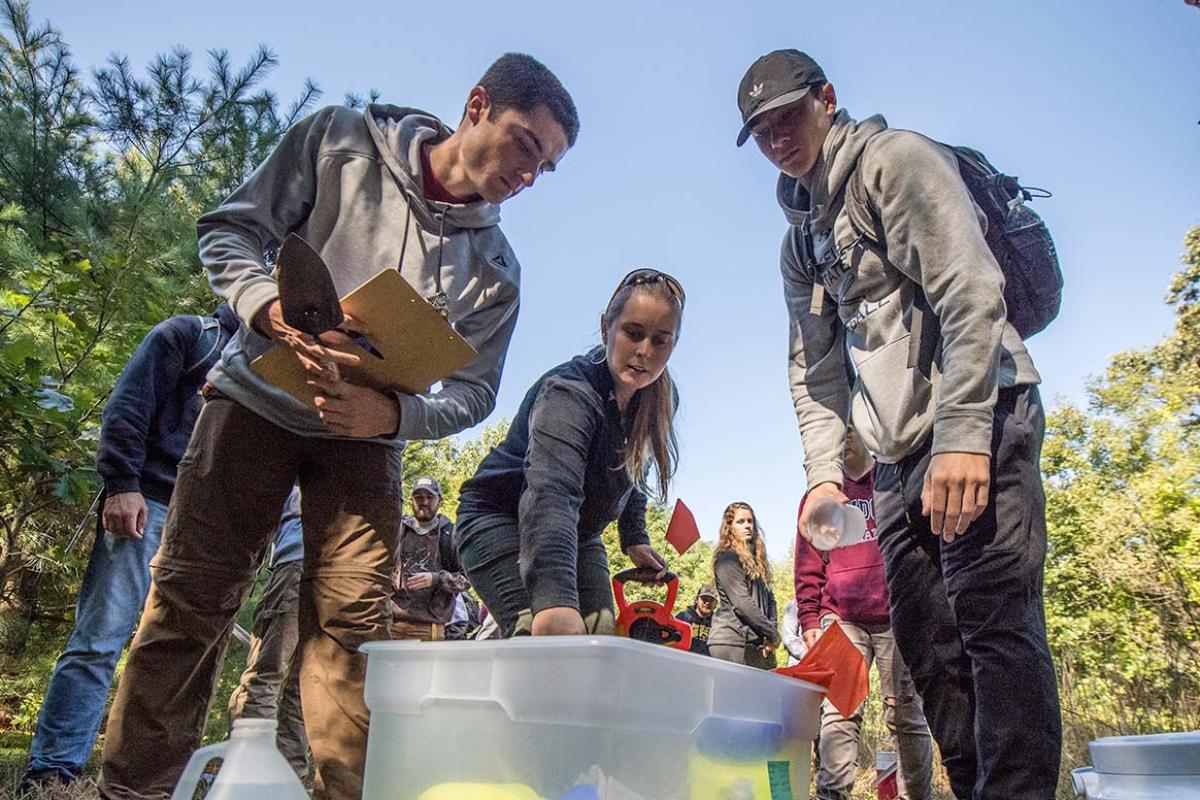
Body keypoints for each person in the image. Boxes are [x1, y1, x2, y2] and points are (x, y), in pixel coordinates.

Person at [98, 52, 579, 800]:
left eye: (545, 166)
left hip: (364, 446)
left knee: (351, 631)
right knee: (192, 599)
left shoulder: (497, 270)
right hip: (252, 402)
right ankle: (133, 790)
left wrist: (391, 412)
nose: (529, 174)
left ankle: (342, 791)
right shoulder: (339, 143)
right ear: (477, 104)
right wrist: (266, 305)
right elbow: (229, 229)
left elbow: (476, 393)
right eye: (525, 144)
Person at [736, 48, 1061, 798]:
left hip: (980, 419)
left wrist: (962, 436)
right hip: (892, 462)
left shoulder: (895, 162)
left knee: (994, 625)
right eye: (761, 130)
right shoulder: (800, 244)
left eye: (788, 115)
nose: (778, 136)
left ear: (826, 98)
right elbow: (813, 370)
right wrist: (822, 476)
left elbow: (971, 290)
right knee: (930, 648)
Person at [19, 307, 237, 793]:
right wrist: (121, 483)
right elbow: (128, 406)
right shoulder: (190, 336)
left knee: (177, 654)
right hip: (149, 501)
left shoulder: (273, 365)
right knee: (100, 638)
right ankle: (53, 769)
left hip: (209, 526)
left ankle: (149, 777)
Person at [456, 268, 684, 637]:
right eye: (634, 333)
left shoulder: (656, 400)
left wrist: (635, 538)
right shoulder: (569, 393)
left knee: (598, 646)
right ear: (606, 327)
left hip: (579, 534)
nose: (644, 351)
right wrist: (553, 600)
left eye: (661, 341)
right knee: (544, 639)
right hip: (500, 518)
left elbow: (632, 473)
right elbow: (551, 494)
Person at [795, 428, 932, 800]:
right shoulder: (819, 497)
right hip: (841, 616)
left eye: (848, 428)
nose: (842, 437)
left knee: (905, 714)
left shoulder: (893, 478)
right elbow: (808, 564)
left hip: (896, 614)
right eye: (834, 429)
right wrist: (809, 618)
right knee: (839, 712)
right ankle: (832, 794)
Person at [226, 486, 308, 780]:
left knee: (266, 675)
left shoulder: (293, 449)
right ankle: (289, 781)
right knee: (303, 687)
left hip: (295, 567)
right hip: (336, 574)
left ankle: (246, 776)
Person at [391, 476, 468, 641]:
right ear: (411, 500)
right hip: (392, 625)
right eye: (418, 497)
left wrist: (436, 579)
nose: (424, 502)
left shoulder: (451, 535)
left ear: (439, 500)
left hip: (430, 629)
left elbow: (466, 581)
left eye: (430, 497)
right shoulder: (397, 531)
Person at [708, 502, 779, 669]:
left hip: (754, 643)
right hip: (731, 640)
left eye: (750, 521)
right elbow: (742, 604)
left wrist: (770, 635)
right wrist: (772, 633)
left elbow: (771, 603)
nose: (747, 525)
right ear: (729, 527)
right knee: (733, 695)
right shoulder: (728, 558)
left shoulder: (757, 564)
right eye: (740, 522)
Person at [674, 584, 718, 656]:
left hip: (706, 664)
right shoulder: (682, 618)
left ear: (715, 604)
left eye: (711, 600)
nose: (707, 603)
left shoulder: (718, 625)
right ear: (697, 600)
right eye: (704, 599)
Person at [779, 598, 806, 667]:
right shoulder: (795, 605)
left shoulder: (830, 604)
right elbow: (788, 637)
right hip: (800, 665)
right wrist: (811, 655)